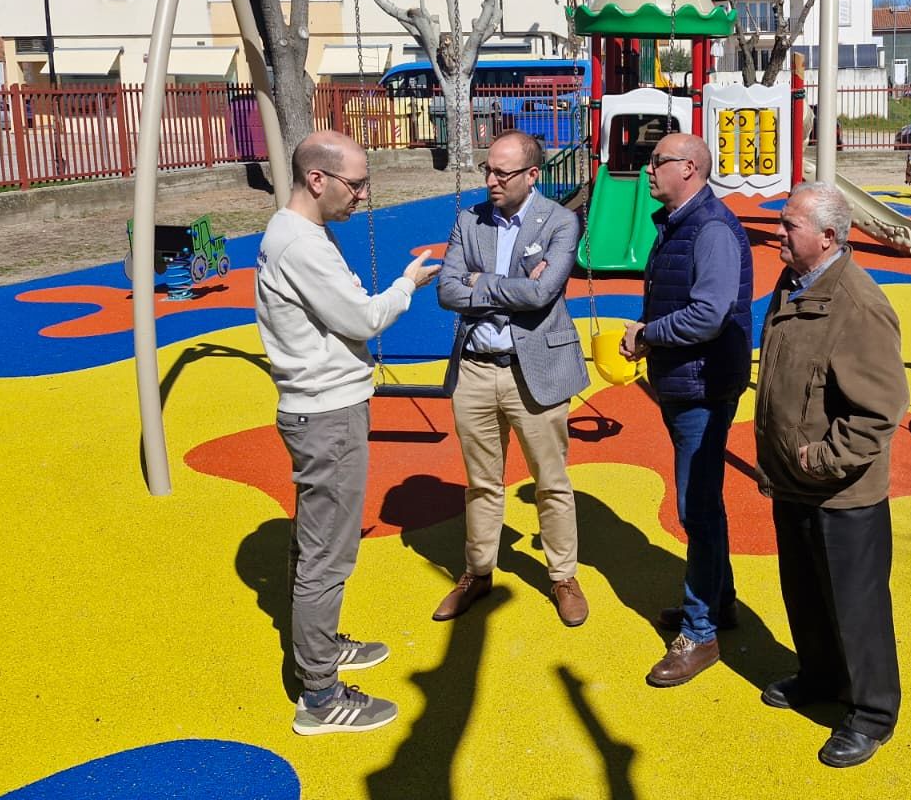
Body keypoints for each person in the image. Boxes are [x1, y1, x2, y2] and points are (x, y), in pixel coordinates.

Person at [254, 130, 439, 736]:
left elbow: (345, 306)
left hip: (327, 404)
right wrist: (408, 285)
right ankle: (320, 696)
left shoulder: (305, 235)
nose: (363, 195)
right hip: (325, 413)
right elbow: (361, 316)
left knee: (320, 544)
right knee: (327, 556)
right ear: (317, 180)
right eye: (355, 184)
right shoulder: (300, 245)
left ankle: (323, 646)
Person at [754, 182, 908, 768]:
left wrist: (817, 459)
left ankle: (871, 713)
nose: (777, 233)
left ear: (827, 237)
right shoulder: (795, 283)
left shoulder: (859, 307)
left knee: (855, 606)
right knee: (807, 595)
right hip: (793, 479)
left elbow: (878, 413)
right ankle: (819, 678)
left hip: (842, 491)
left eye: (789, 226)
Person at [432, 130, 591, 627]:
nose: (492, 180)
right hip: (477, 370)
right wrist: (509, 287)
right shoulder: (469, 220)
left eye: (503, 172)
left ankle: (563, 575)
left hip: (534, 370)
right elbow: (446, 292)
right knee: (481, 482)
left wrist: (481, 282)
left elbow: (544, 293)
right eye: (488, 169)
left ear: (532, 176)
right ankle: (478, 572)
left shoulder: (561, 220)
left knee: (551, 481)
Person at [620, 132, 753, 686]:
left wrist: (649, 334)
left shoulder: (710, 229)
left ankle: (700, 634)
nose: (648, 169)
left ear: (691, 168)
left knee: (695, 508)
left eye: (658, 161)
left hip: (702, 385)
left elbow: (708, 314)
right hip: (687, 381)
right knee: (705, 504)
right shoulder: (680, 223)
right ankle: (718, 600)